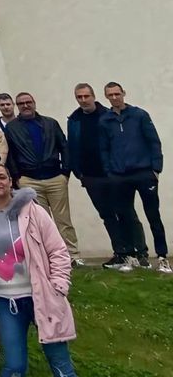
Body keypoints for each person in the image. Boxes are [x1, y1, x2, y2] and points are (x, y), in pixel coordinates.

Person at [0, 162, 79, 377]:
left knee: (60, 363)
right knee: (14, 365)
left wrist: (59, 285)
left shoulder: (34, 212)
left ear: (11, 182)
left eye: (2, 177)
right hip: (4, 300)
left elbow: (58, 250)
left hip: (40, 295)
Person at [2, 92, 80, 264]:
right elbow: (11, 155)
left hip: (55, 178)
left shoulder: (50, 123)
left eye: (28, 102)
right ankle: (50, 257)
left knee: (63, 220)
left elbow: (64, 146)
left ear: (34, 103)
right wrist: (17, 178)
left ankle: (73, 256)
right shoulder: (12, 128)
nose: (25, 105)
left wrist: (65, 172)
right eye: (21, 103)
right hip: (29, 180)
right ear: (17, 106)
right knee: (41, 221)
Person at [68, 83, 141, 270]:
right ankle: (121, 253)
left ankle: (139, 252)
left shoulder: (107, 116)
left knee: (126, 213)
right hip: (91, 177)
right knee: (107, 216)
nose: (83, 100)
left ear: (93, 96)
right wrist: (79, 172)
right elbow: (73, 146)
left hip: (113, 174)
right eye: (79, 97)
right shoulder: (74, 120)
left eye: (86, 96)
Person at [100, 82, 168, 273]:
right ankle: (132, 256)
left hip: (144, 173)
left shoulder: (139, 115)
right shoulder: (105, 121)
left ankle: (162, 257)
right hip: (119, 176)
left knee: (153, 216)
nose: (114, 98)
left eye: (117, 94)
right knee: (125, 216)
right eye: (110, 95)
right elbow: (104, 148)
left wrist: (156, 169)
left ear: (123, 93)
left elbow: (154, 142)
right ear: (106, 97)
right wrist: (109, 171)